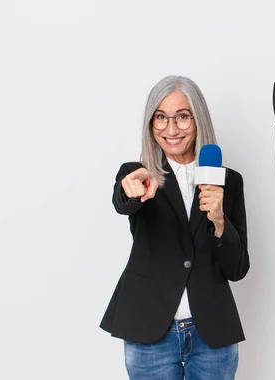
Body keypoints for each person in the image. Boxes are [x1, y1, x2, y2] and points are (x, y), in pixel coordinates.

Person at [100, 75, 250, 380]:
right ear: (150, 123)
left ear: (198, 119)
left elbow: (237, 269)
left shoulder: (228, 181)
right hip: (150, 331)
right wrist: (129, 191)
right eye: (161, 118)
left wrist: (220, 221)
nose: (170, 129)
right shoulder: (139, 174)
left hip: (211, 334)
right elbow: (124, 201)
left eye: (182, 117)